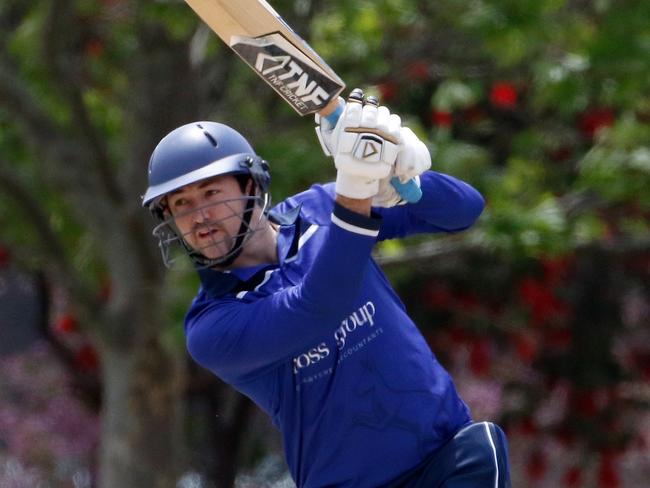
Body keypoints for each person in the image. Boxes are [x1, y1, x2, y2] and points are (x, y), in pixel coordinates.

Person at [142, 89, 511, 487]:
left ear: (251, 187)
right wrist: (356, 185)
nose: (200, 216)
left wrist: (402, 175)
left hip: (444, 459)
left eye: (211, 193)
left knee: (482, 446)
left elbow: (465, 210)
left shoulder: (320, 208)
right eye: (181, 205)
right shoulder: (210, 328)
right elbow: (320, 305)